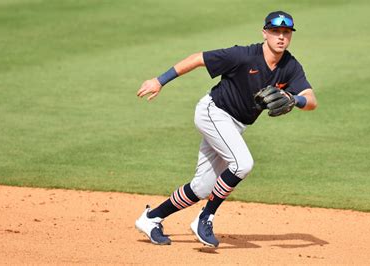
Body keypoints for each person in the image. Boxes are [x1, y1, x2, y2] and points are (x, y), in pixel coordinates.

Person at [135, 11, 317, 247]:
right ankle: (205, 217)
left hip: (235, 125)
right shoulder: (243, 55)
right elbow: (198, 58)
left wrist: (295, 100)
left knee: (202, 186)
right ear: (265, 33)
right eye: (275, 32)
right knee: (242, 164)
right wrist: (160, 81)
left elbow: (311, 99)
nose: (281, 37)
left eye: (286, 33)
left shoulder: (290, 66)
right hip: (213, 112)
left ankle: (151, 218)